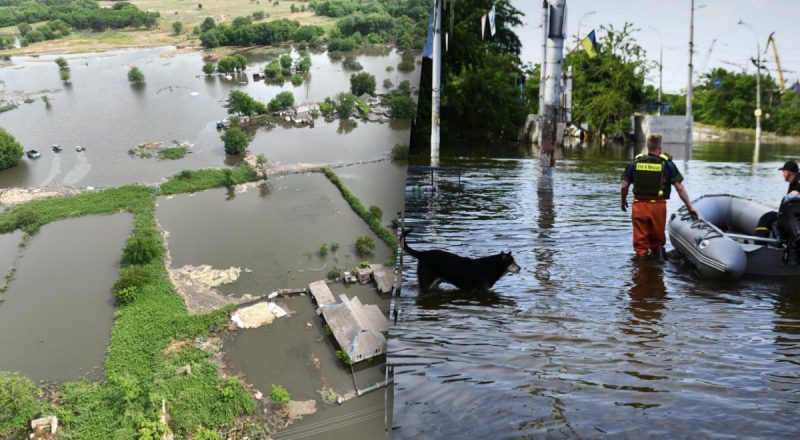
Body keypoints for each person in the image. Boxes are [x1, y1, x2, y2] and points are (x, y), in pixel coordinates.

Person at [620, 133, 698, 257]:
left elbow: (624, 186)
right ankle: (658, 270)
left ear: (648, 147)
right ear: (660, 148)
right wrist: (689, 207)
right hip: (658, 207)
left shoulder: (635, 163)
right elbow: (679, 188)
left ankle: (640, 270)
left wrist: (623, 201)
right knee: (658, 242)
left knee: (641, 245)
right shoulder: (667, 164)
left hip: (639, 206)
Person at [754, 160, 800, 238]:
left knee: (767, 218)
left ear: (787, 172)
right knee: (768, 217)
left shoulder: (798, 180)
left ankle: (760, 245)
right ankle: (761, 243)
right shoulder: (793, 183)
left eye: (783, 172)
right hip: (789, 215)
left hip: (794, 217)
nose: (783, 174)